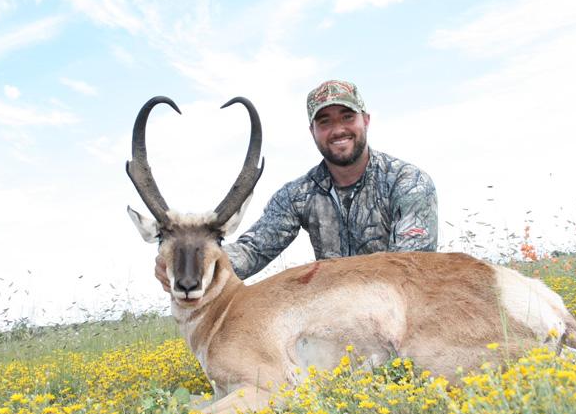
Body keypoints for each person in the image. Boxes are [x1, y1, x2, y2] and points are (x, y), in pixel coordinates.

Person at [155, 79, 437, 289]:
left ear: (366, 120)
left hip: (400, 311)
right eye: (324, 121)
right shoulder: (298, 196)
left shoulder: (409, 183)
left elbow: (411, 270)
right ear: (312, 131)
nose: (338, 129)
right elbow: (253, 250)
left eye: (347, 117)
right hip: (337, 317)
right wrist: (193, 261)